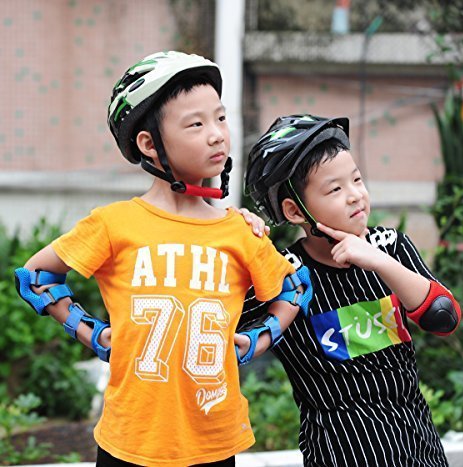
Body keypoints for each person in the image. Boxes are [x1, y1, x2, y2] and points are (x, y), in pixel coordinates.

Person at [13, 52, 312, 467]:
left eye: (220, 118)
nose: (217, 135)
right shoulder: (114, 224)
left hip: (213, 442)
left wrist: (256, 339)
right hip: (128, 442)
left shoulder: (241, 231)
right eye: (196, 124)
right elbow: (36, 276)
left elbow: (294, 288)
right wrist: (93, 335)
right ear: (149, 144)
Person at [239, 114, 461, 467]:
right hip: (340, 454)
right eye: (335, 189)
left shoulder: (390, 248)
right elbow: (218, 327)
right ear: (294, 210)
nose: (355, 195)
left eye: (356, 179)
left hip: (420, 451)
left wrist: (378, 261)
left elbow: (443, 317)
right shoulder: (283, 274)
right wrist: (235, 237)